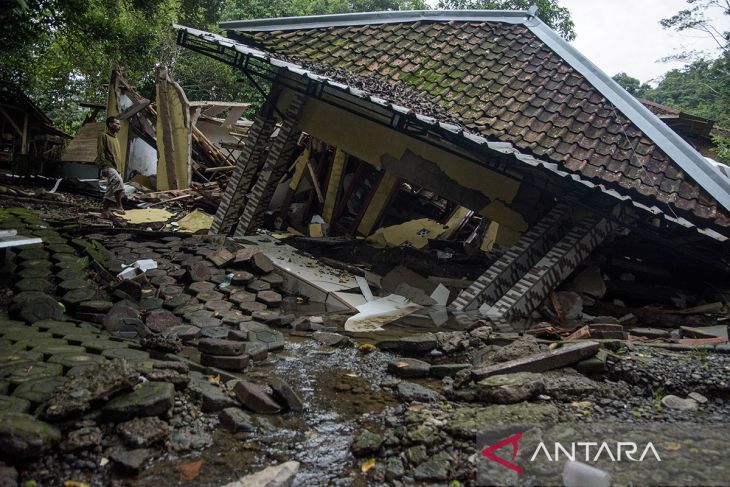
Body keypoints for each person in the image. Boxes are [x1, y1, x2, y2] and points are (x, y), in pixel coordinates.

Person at [96, 116, 125, 219]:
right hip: (108, 165)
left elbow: (117, 155)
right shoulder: (103, 136)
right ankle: (119, 206)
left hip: (116, 167)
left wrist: (119, 169)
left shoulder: (116, 139)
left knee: (110, 190)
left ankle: (104, 211)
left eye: (119, 124)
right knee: (118, 182)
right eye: (117, 123)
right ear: (110, 124)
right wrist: (103, 166)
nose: (119, 126)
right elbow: (101, 152)